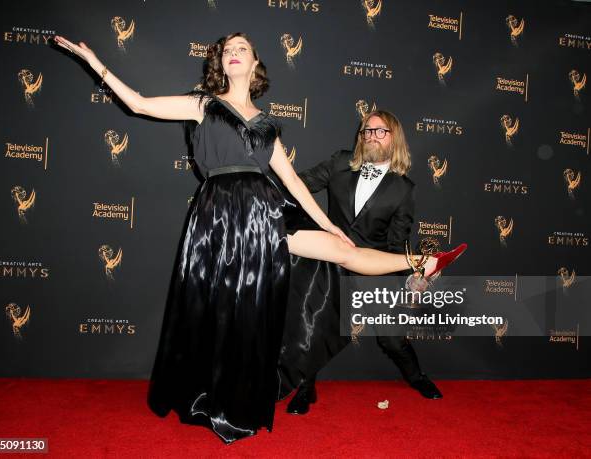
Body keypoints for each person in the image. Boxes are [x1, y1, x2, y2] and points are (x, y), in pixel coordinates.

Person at [53, 32, 464, 444]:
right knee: (224, 309)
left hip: (265, 211)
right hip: (220, 214)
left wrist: (329, 223)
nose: (233, 53)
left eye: (242, 49)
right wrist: (95, 63)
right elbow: (139, 104)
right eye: (227, 50)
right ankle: (216, 392)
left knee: (341, 249)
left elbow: (293, 184)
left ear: (254, 66)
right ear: (221, 63)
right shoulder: (204, 105)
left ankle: (422, 262)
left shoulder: (267, 127)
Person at [279, 110, 445, 417]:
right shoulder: (340, 162)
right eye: (366, 131)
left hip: (373, 266)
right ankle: (305, 387)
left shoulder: (403, 189)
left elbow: (397, 243)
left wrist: (409, 279)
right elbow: (297, 186)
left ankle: (417, 377)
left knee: (393, 339)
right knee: (312, 329)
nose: (371, 136)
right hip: (330, 263)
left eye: (379, 131)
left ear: (394, 138)